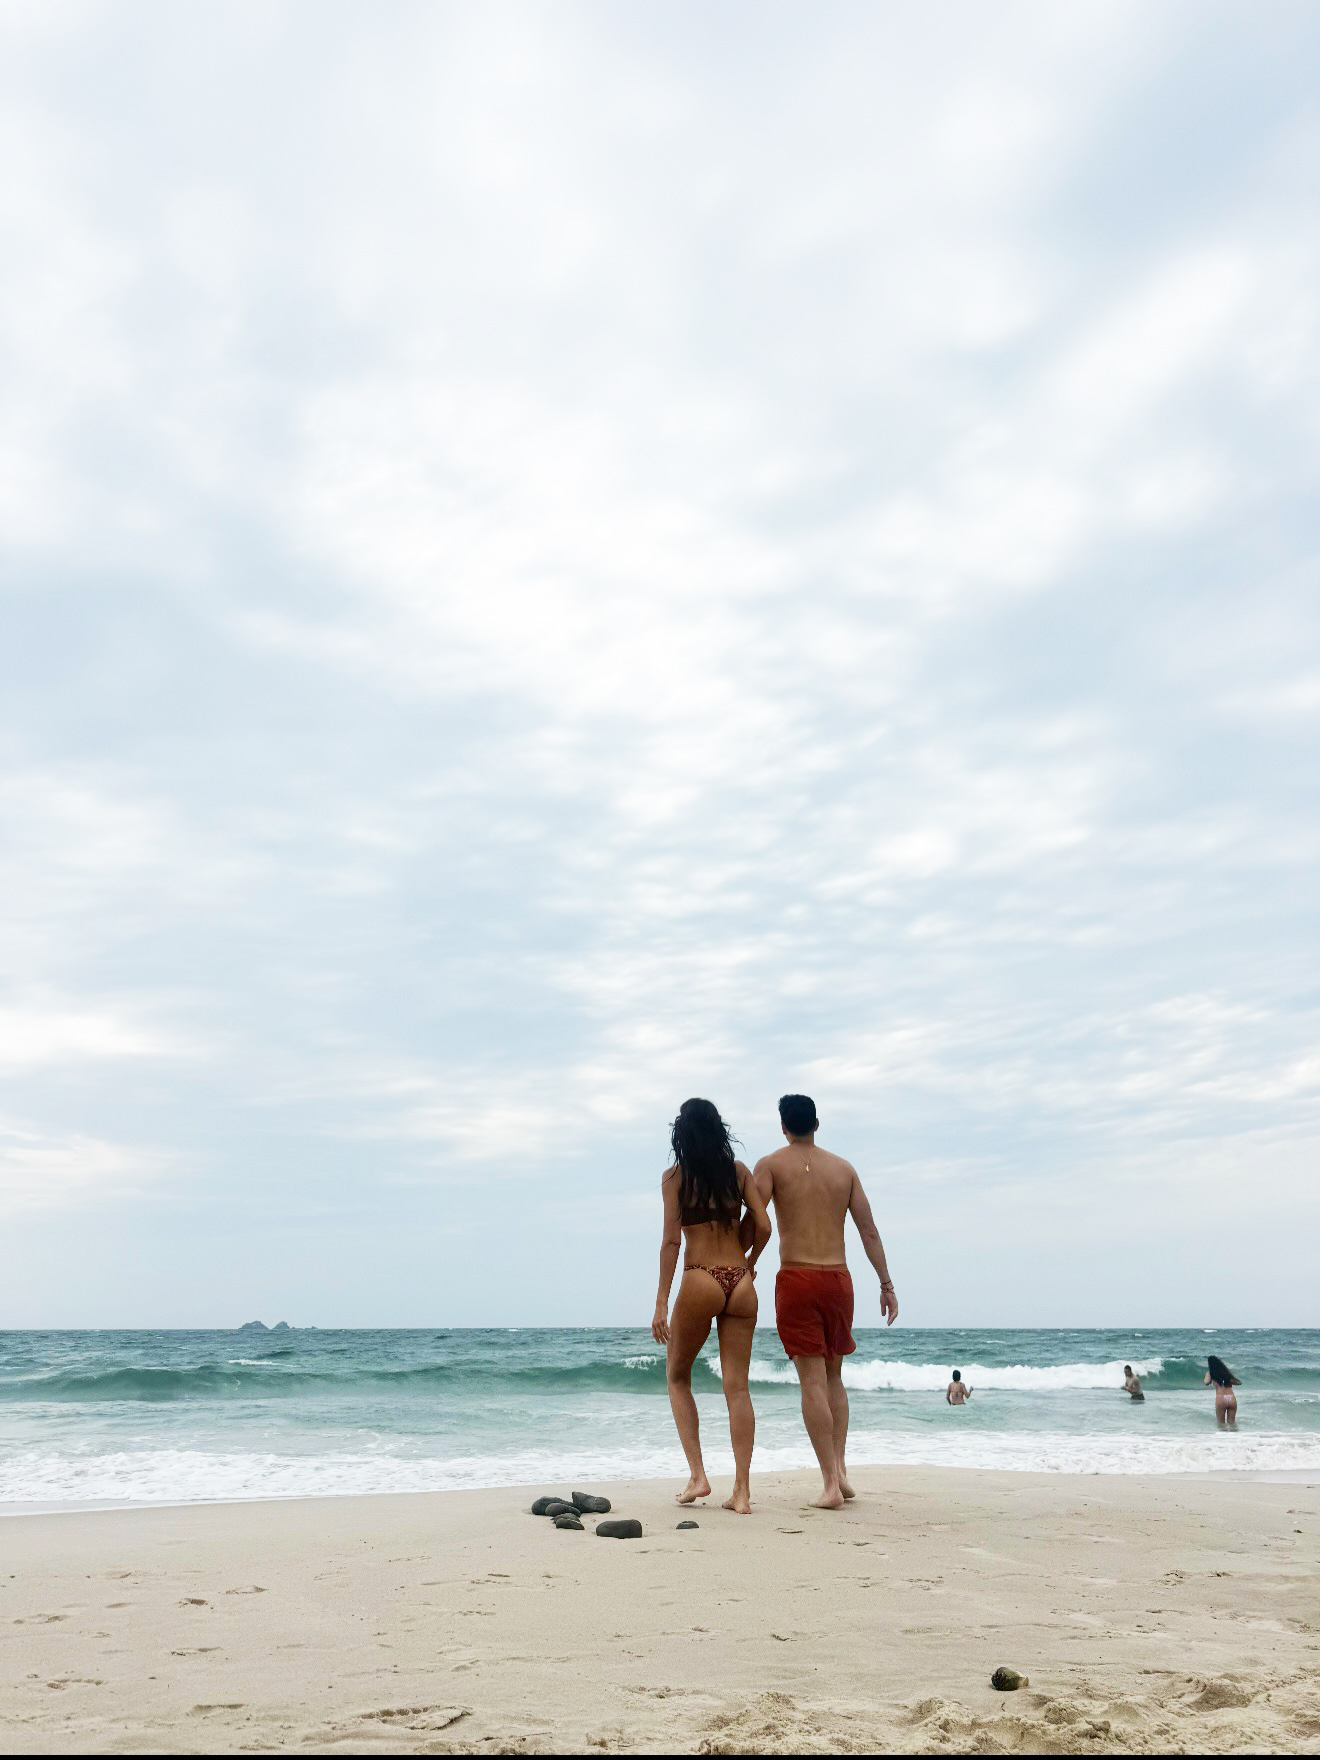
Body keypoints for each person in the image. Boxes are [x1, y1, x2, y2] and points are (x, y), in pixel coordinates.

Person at [753, 1093, 898, 1510]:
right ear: (817, 1124)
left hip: (796, 1276)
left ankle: (831, 1483)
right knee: (834, 1375)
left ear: (783, 1126)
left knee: (812, 1380)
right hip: (838, 1278)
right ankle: (841, 1469)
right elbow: (868, 1231)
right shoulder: (844, 1170)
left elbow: (758, 1222)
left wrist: (747, 1263)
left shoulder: (771, 1165)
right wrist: (886, 1284)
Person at [652, 1098, 772, 1513]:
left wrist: (662, 1301)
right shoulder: (738, 1173)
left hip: (700, 1275)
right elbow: (764, 1225)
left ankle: (699, 1476)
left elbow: (671, 1241)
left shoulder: (675, 1178)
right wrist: (750, 1264)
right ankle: (741, 1492)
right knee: (737, 1387)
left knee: (677, 1376)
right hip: (740, 1282)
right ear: (719, 1129)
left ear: (680, 1134)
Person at [1204, 1354, 1241, 1427]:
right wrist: (1227, 1379)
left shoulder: (1210, 1373)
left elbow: (1206, 1382)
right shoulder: (1226, 1372)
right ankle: (1235, 1437)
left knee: (1221, 1424)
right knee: (1232, 1423)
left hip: (1221, 1399)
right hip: (1230, 1398)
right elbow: (1238, 1382)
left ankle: (1223, 1438)